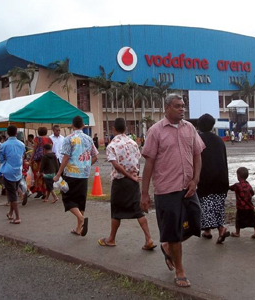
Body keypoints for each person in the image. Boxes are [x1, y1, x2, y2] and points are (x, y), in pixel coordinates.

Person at [141, 94, 205, 288]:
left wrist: (195, 179)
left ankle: (167, 245)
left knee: (195, 222)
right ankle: (179, 269)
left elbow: (197, 155)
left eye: (183, 106)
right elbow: (149, 163)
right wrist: (144, 194)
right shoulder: (156, 131)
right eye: (177, 106)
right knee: (174, 231)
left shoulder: (190, 128)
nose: (181, 109)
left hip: (188, 188)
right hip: (166, 190)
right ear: (167, 108)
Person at [98, 118, 155, 249]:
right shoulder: (133, 143)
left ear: (113, 129)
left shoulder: (112, 145)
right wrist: (134, 176)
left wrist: (128, 176)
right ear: (125, 129)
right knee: (138, 210)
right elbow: (137, 161)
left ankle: (111, 239)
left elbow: (116, 166)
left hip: (120, 181)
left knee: (116, 210)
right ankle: (149, 238)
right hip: (133, 180)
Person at [53, 116, 98, 237]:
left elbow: (66, 157)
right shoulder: (88, 139)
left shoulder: (69, 139)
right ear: (83, 125)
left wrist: (58, 174)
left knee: (67, 198)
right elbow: (95, 156)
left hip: (71, 174)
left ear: (72, 126)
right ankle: (79, 227)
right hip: (84, 174)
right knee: (80, 200)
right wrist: (87, 164)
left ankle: (81, 219)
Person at [196, 114, 230, 244]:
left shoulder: (197, 139)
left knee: (205, 206)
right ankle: (208, 230)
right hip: (221, 178)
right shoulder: (219, 140)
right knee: (217, 205)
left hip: (205, 178)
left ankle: (220, 228)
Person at [0, 125, 25, 224]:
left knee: (12, 194)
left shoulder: (4, 145)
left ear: (7, 133)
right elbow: (22, 155)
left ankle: (17, 217)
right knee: (12, 191)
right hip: (18, 170)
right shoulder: (21, 144)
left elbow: (1, 159)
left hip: (8, 171)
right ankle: (10, 213)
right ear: (16, 133)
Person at [229, 167, 255, 239]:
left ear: (238, 176)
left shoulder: (237, 186)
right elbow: (252, 193)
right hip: (249, 206)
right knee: (254, 219)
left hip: (241, 207)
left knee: (239, 220)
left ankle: (237, 233)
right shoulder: (248, 185)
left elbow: (230, 188)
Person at [29, 127, 53, 199]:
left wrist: (31, 159)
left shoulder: (37, 139)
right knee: (45, 175)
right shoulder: (49, 139)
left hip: (38, 160)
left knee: (37, 174)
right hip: (47, 159)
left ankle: (39, 190)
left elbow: (34, 149)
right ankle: (45, 192)